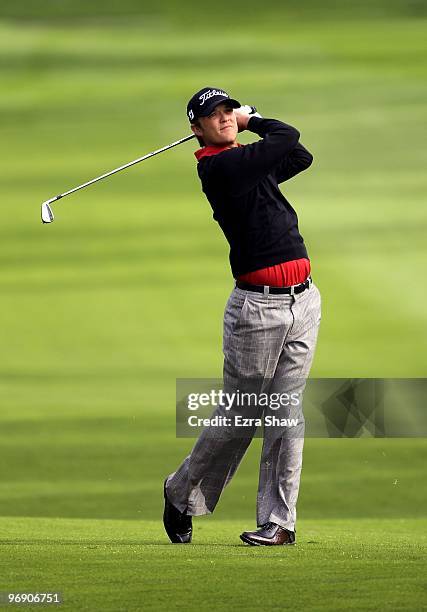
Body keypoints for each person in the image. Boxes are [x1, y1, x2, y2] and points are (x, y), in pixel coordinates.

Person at [163, 87, 321, 546]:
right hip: (257, 309)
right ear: (197, 130)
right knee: (242, 415)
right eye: (213, 115)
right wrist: (254, 120)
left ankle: (279, 523)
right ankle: (180, 492)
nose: (225, 117)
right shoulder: (219, 167)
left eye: (227, 109)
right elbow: (286, 134)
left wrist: (249, 125)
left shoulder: (247, 164)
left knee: (285, 413)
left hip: (303, 302)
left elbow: (300, 155)